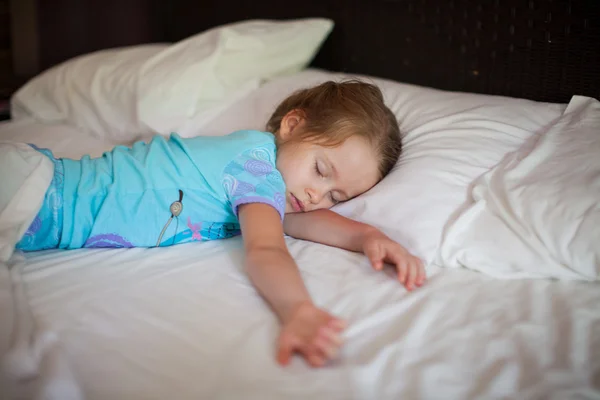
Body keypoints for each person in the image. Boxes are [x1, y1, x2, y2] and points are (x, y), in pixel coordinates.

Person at [10, 80, 425, 368]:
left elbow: (305, 223)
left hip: (36, 191)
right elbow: (266, 249)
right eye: (321, 169)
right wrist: (297, 309)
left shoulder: (267, 178)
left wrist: (369, 235)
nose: (318, 195)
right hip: (38, 192)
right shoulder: (255, 170)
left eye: (337, 196)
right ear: (293, 125)